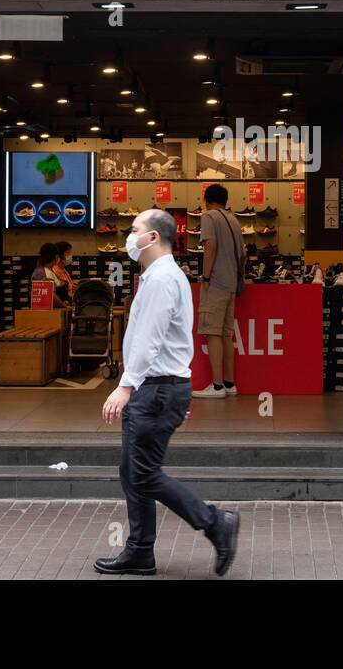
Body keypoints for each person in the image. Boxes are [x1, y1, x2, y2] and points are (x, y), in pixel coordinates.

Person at [95, 209, 239, 577]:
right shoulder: (162, 276)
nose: (130, 237)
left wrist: (126, 386)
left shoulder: (160, 280)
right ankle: (140, 551)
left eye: (134, 230)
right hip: (161, 388)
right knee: (133, 472)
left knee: (141, 474)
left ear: (153, 237)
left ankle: (214, 522)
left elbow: (150, 338)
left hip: (154, 389)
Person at [192, 183, 244, 399]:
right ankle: (230, 383)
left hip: (216, 283)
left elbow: (210, 246)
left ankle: (216, 386)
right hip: (232, 283)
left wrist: (205, 276)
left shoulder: (209, 217)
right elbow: (242, 254)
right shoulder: (233, 219)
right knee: (225, 333)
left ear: (206, 200)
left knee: (211, 331)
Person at [50, 240, 76, 307]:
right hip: (62, 306)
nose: (70, 256)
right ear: (59, 255)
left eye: (70, 253)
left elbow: (71, 286)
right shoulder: (54, 270)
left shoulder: (64, 270)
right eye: (68, 253)